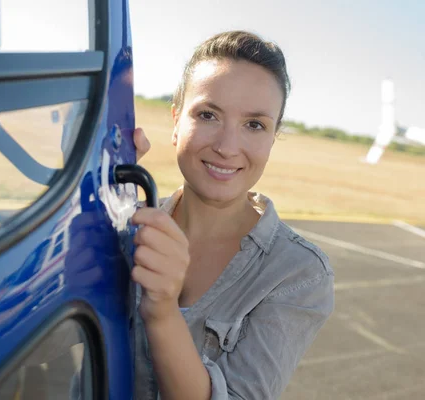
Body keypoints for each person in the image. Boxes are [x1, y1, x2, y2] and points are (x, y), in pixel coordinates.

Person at [130, 30, 335, 400]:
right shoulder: (126, 221)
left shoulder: (298, 274)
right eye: (208, 115)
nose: (227, 147)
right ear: (176, 122)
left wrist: (162, 310)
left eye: (254, 125)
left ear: (273, 139)